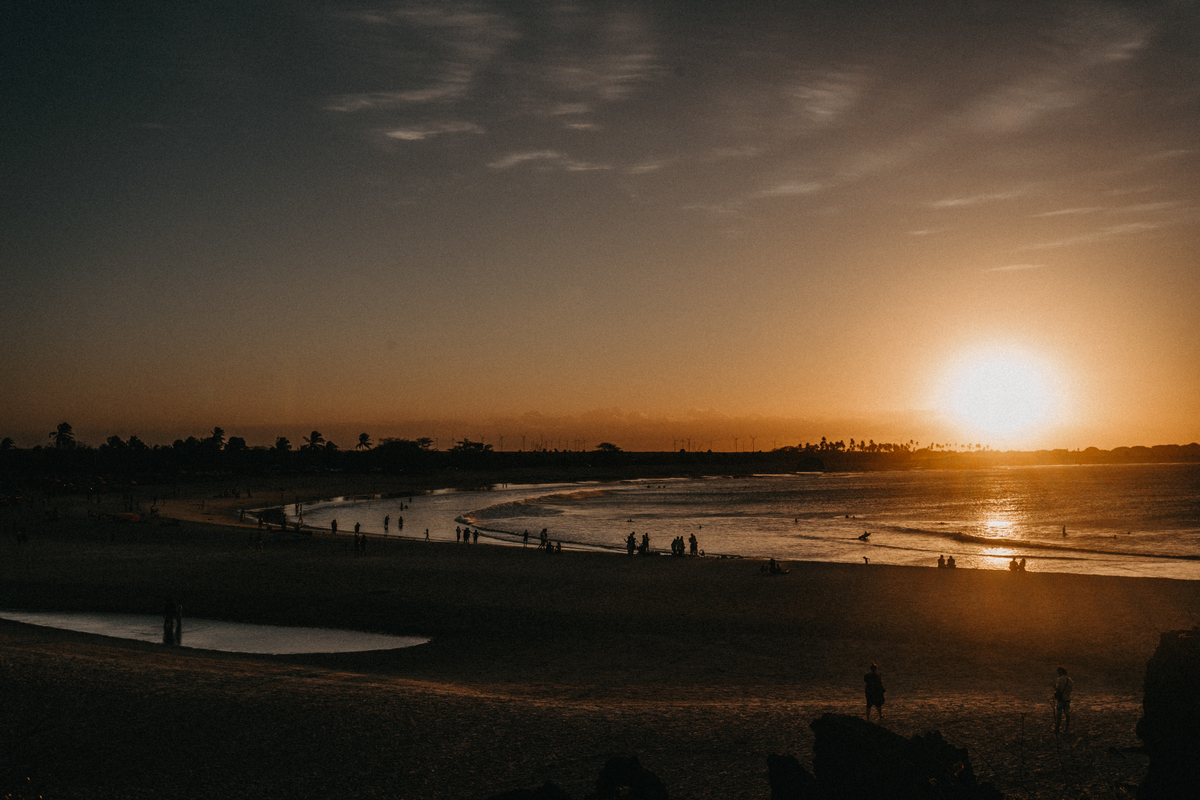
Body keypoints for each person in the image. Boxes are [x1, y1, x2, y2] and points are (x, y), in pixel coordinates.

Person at [1054, 666, 1073, 733]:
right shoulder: (1069, 680)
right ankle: (1066, 728)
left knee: (1058, 714)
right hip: (1067, 698)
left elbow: (1058, 688)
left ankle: (1057, 728)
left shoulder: (1059, 679)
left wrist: (1055, 689)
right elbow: (1070, 689)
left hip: (1061, 699)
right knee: (1067, 714)